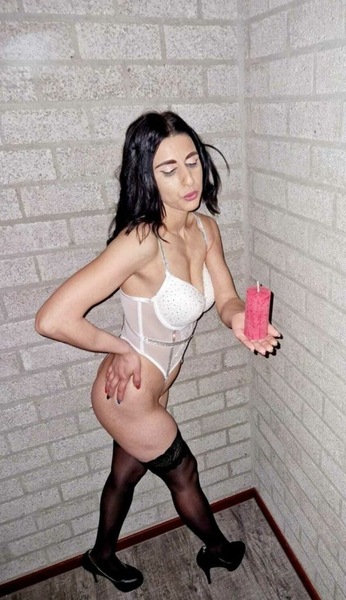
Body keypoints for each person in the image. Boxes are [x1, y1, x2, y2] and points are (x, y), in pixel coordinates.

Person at [35, 111, 280, 593]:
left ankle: (101, 555)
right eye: (169, 169)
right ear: (145, 176)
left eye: (192, 161)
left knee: (124, 476)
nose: (188, 179)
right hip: (128, 395)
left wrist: (238, 321)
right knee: (183, 472)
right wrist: (119, 347)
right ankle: (219, 550)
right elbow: (52, 319)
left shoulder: (205, 229)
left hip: (156, 387)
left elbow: (226, 297)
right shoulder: (140, 241)